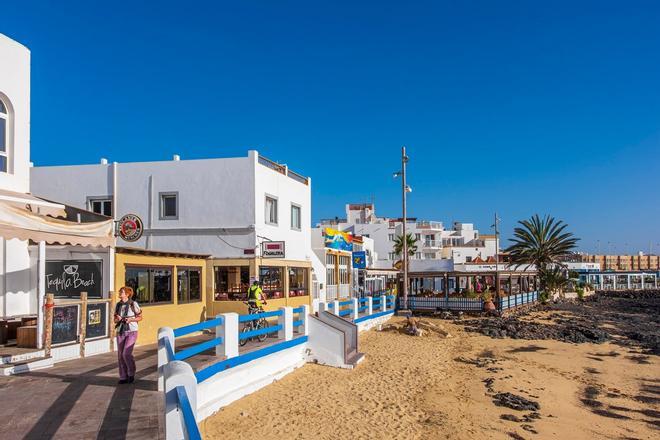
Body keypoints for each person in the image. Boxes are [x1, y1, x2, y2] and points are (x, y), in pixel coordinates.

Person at [114, 286, 142, 384]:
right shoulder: (117, 305)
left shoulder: (133, 304)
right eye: (120, 291)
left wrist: (131, 319)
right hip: (120, 331)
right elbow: (115, 320)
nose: (120, 293)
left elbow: (140, 317)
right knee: (120, 355)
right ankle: (123, 376)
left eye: (121, 292)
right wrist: (118, 319)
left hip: (132, 331)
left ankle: (131, 372)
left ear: (127, 294)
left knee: (126, 353)